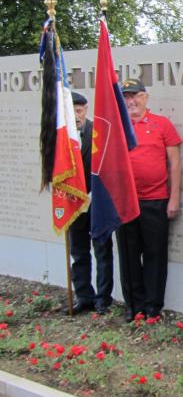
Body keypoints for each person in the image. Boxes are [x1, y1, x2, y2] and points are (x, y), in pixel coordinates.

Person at [117, 79, 182, 321]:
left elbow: (174, 163)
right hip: (125, 203)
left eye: (135, 95)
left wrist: (173, 198)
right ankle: (134, 306)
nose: (130, 101)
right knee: (128, 255)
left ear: (146, 97)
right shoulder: (118, 126)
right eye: (126, 97)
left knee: (155, 255)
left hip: (155, 200)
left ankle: (153, 306)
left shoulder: (161, 124)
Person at [68, 91, 114, 315]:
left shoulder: (99, 134)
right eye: (71, 111)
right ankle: (83, 295)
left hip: (97, 203)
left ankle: (103, 299)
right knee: (78, 253)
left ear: (85, 110)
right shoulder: (61, 137)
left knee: (102, 252)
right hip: (74, 203)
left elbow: (108, 166)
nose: (76, 116)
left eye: (79, 111)